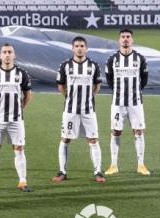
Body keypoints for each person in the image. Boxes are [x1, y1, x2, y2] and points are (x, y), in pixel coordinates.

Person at [53, 36, 105, 183]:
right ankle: (62, 171)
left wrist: (89, 97)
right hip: (70, 111)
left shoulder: (93, 65)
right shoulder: (65, 66)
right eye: (76, 46)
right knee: (65, 138)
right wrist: (69, 97)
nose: (79, 48)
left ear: (86, 48)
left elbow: (97, 86)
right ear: (72, 48)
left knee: (93, 140)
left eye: (82, 46)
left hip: (88, 111)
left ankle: (98, 172)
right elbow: (61, 86)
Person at [0, 43, 33, 192]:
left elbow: (28, 94)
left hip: (16, 119)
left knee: (19, 147)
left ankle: (22, 182)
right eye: (4, 52)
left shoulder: (22, 73)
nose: (7, 55)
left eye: (9, 52)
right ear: (0, 55)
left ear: (14, 55)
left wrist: (21, 107)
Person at [104, 29, 150, 176]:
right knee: (116, 131)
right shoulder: (112, 59)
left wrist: (134, 91)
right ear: (119, 40)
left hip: (135, 103)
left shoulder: (140, 58)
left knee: (138, 131)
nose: (125, 39)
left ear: (132, 40)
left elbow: (144, 79)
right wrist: (119, 91)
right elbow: (109, 79)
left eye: (128, 37)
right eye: (123, 37)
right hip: (117, 103)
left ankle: (141, 164)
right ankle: (113, 165)